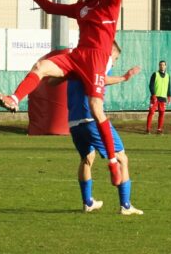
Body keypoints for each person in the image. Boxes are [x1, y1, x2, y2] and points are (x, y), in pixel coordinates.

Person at [0, 0, 123, 185]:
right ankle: (14, 99)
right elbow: (48, 7)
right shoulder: (81, 7)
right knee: (41, 67)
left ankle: (113, 164)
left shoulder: (111, 2)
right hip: (78, 55)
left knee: (97, 109)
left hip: (96, 59)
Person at [65, 42, 143, 214]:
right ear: (110, 52)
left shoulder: (78, 60)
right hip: (90, 118)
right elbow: (99, 79)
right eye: (115, 58)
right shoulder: (100, 60)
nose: (113, 63)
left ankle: (88, 202)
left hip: (73, 121)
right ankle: (126, 206)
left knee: (87, 158)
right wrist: (124, 77)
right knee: (122, 158)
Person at [146, 60, 171, 134]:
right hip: (155, 97)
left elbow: (169, 87)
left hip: (163, 98)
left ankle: (159, 129)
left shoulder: (167, 76)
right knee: (151, 112)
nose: (162, 66)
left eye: (163, 65)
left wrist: (169, 95)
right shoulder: (155, 74)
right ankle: (148, 129)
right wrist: (153, 94)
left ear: (165, 66)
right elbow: (151, 85)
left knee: (162, 113)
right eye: (160, 65)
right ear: (159, 66)